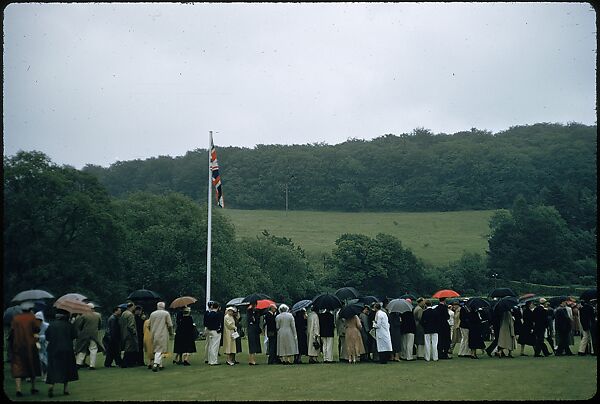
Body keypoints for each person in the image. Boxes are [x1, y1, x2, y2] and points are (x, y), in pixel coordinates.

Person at [10, 301, 41, 397]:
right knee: (32, 365)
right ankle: (33, 387)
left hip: (17, 345)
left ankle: (18, 389)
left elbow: (12, 330)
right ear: (30, 309)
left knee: (18, 366)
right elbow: (37, 329)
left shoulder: (15, 318)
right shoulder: (32, 317)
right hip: (30, 345)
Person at [45, 309, 78, 398]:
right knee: (66, 368)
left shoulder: (51, 325)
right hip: (67, 349)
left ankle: (51, 386)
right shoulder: (69, 325)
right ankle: (65, 389)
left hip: (53, 349)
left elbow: (47, 337)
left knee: (53, 368)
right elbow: (74, 336)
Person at [74, 303, 104, 370]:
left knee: (82, 348)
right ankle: (92, 365)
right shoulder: (98, 315)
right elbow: (100, 325)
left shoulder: (83, 315)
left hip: (84, 334)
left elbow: (79, 325)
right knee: (93, 349)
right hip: (94, 334)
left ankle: (78, 363)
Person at [148, 301, 174, 371]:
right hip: (162, 334)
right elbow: (170, 325)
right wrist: (171, 332)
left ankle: (161, 364)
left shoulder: (152, 314)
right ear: (163, 307)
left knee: (157, 349)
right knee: (159, 350)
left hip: (153, 334)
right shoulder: (166, 313)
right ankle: (156, 364)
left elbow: (148, 325)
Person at [119, 302, 139, 368]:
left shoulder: (124, 313)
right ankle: (126, 363)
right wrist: (134, 332)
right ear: (131, 307)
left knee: (127, 348)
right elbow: (131, 325)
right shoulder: (130, 315)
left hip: (123, 333)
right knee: (129, 349)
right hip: (129, 334)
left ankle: (127, 362)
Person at [35, 311, 49, 382]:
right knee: (38, 361)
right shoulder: (34, 326)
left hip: (45, 346)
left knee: (45, 362)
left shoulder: (46, 326)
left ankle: (46, 375)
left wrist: (40, 337)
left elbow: (48, 336)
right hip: (37, 345)